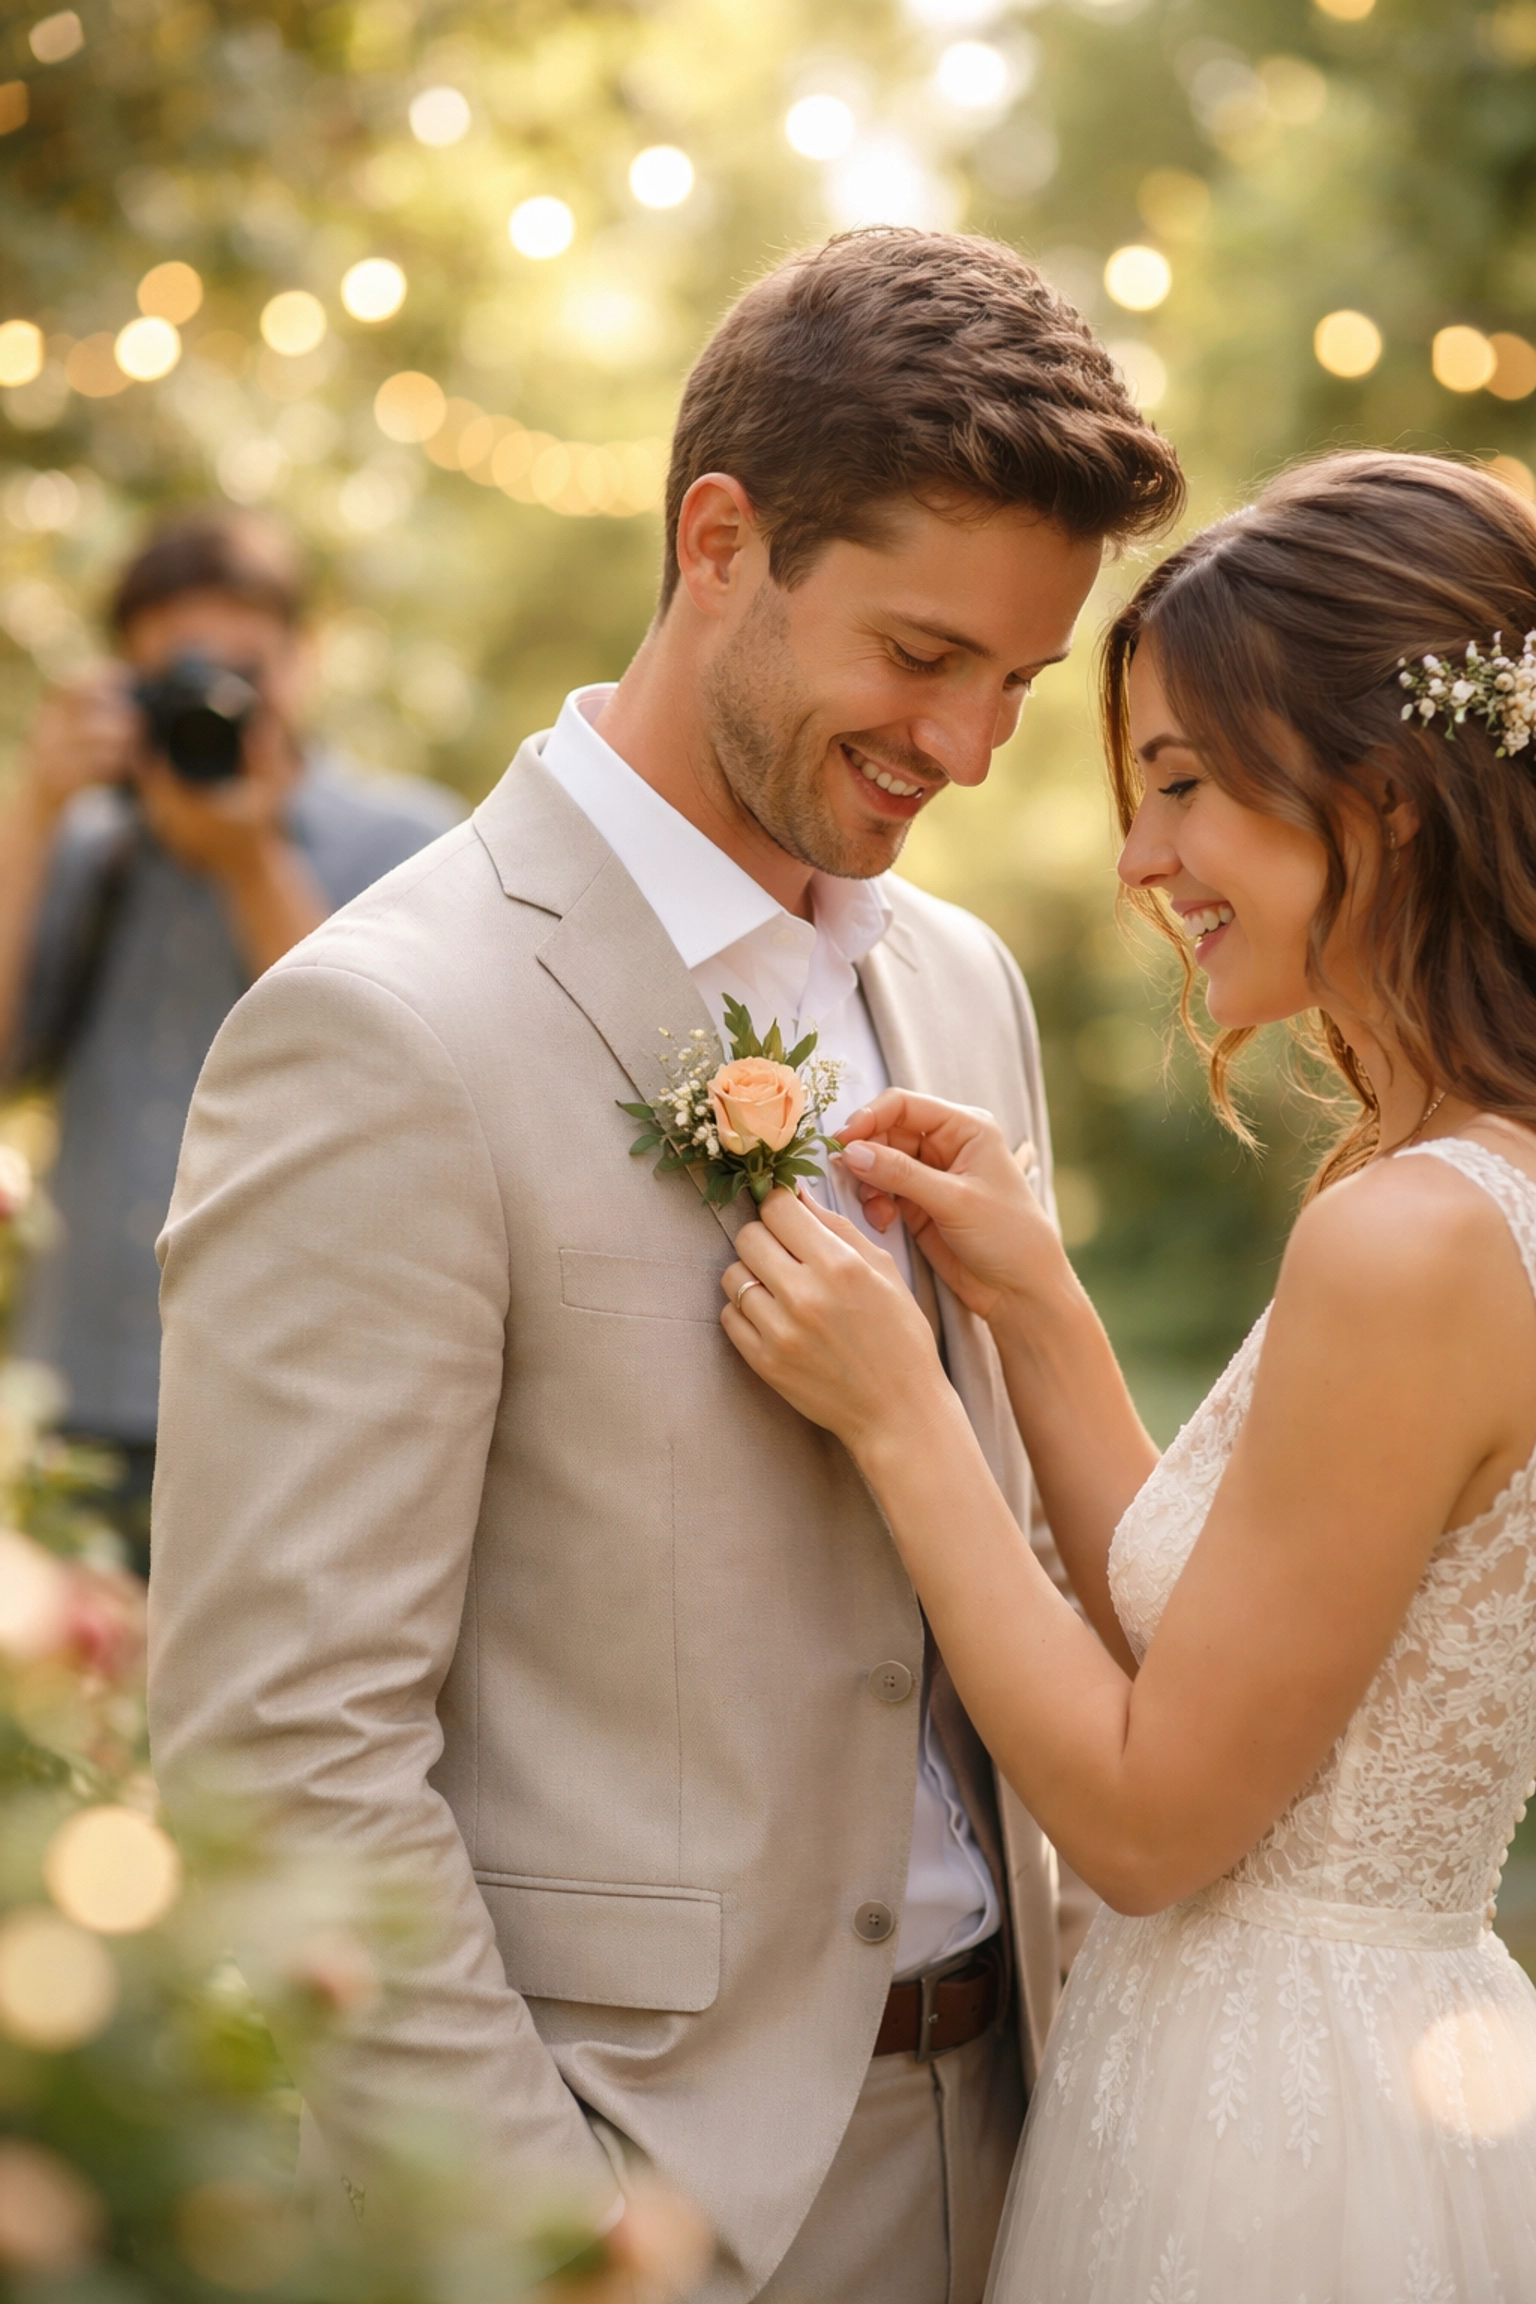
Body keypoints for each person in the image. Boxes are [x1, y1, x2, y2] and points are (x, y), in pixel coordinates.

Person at [147, 228, 1184, 2303]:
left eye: (1018, 683)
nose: (971, 748)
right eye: (919, 656)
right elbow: (285, 1747)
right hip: (660, 2196)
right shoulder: (390, 1032)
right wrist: (560, 2250)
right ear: (723, 538)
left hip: (1036, 2138)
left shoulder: (962, 988)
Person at [717, 450, 1536, 2300]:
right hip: (1366, 2062)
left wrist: (904, 1412)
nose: (1139, 860)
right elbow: (1238, 1648)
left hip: (1286, 2141)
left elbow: (1158, 1818)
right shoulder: (1473, 1187)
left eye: (1179, 786)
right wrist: (1036, 1308)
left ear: (1385, 802)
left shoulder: (1408, 1238)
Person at [0, 511, 461, 1572]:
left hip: (300, 1403)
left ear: (303, 661)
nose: (218, 702)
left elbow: (393, 1082)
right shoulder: (93, 846)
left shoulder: (411, 844)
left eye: (243, 669)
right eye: (181, 678)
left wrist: (250, 863)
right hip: (82, 1386)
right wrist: (34, 808)